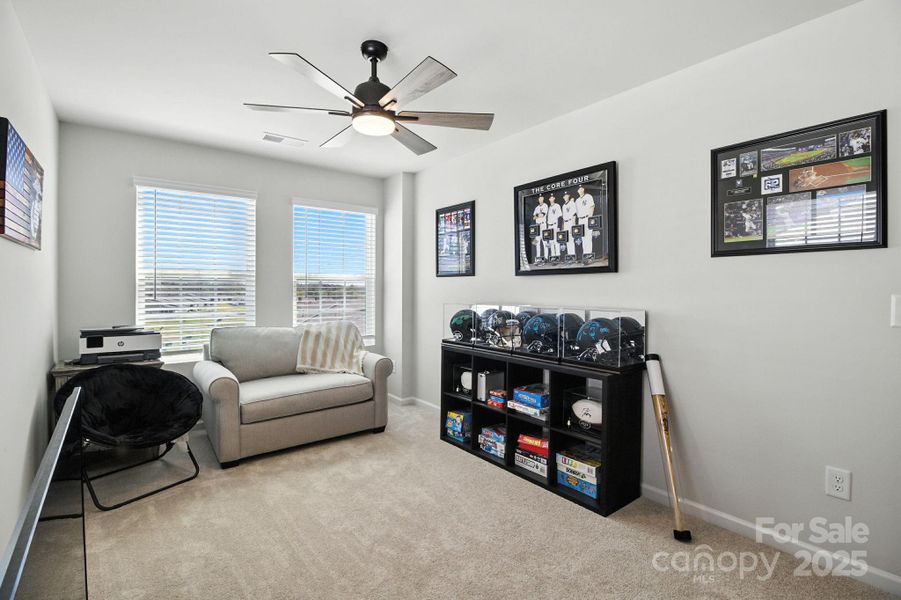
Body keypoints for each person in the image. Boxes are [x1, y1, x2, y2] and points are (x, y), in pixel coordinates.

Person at [575, 185, 595, 260]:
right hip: (580, 219)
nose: (580, 190)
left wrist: (590, 218)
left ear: (583, 189)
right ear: (578, 191)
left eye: (581, 188)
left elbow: (592, 206)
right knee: (583, 238)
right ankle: (585, 255)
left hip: (587, 217)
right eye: (579, 189)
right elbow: (576, 212)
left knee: (588, 237)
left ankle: (589, 256)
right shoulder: (577, 200)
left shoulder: (588, 196)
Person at [545, 194, 562, 260]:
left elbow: (560, 217)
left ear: (554, 198)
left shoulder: (557, 205)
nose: (551, 199)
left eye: (552, 198)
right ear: (549, 199)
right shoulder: (549, 208)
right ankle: (553, 257)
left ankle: (558, 256)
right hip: (549, 226)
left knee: (556, 241)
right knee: (551, 242)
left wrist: (559, 226)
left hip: (555, 225)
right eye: (550, 198)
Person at [532, 195, 548, 263]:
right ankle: (538, 258)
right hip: (537, 226)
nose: (540, 199)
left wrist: (537, 215)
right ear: (538, 200)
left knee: (545, 242)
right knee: (536, 242)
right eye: (539, 198)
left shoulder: (545, 205)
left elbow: (543, 215)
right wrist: (538, 215)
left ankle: (546, 258)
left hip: (543, 225)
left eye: (541, 198)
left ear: (543, 198)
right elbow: (533, 218)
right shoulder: (536, 207)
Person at [561, 191, 577, 259]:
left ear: (569, 196)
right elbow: (563, 217)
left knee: (571, 240)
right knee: (567, 240)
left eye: (567, 195)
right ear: (563, 197)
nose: (566, 197)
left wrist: (573, 225)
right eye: (565, 196)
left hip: (571, 222)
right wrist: (563, 227)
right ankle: (569, 256)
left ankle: (573, 256)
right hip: (566, 223)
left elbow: (574, 214)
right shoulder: (563, 205)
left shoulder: (572, 203)